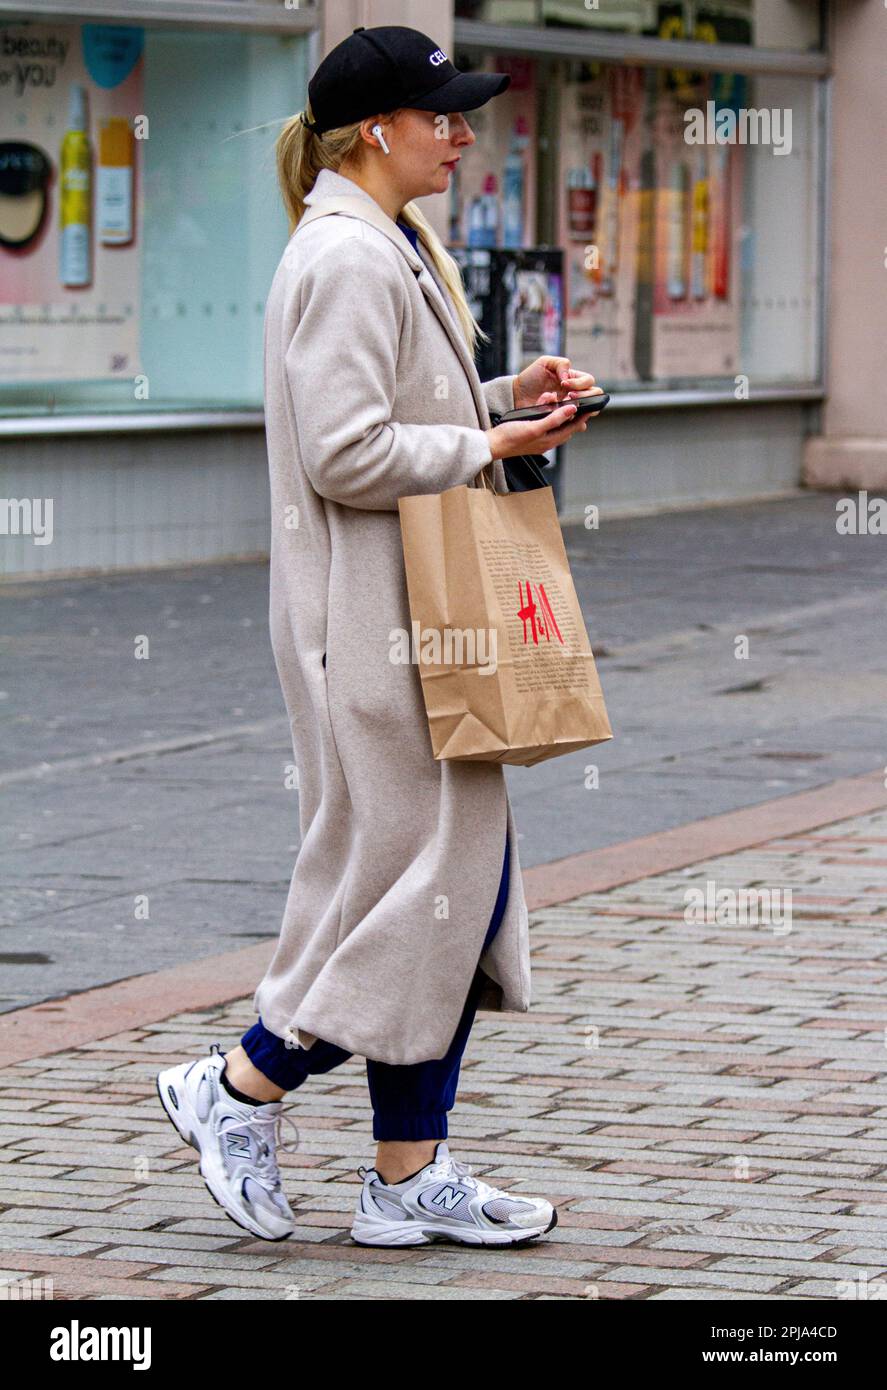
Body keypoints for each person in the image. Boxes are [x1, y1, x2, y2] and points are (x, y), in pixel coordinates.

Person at [157, 24, 601, 1249]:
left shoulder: (386, 243)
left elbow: (400, 403)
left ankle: (406, 1172)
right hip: (376, 627)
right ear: (374, 132)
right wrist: (486, 448)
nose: (461, 136)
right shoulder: (347, 255)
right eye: (442, 117)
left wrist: (505, 397)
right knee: (419, 897)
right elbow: (345, 451)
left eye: (461, 116)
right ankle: (239, 1085)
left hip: (415, 617)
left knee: (434, 890)